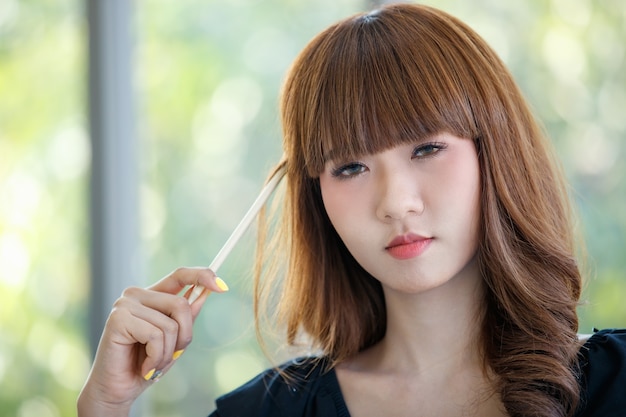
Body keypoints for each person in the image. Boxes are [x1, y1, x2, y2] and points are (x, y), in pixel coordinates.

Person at [77, 3, 626, 417]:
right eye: (350, 167)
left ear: (495, 152)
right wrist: (104, 404)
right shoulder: (266, 413)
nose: (395, 203)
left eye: (427, 148)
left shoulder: (615, 384)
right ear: (316, 193)